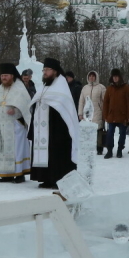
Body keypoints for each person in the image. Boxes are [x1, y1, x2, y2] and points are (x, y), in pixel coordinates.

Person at [27, 58, 78, 189]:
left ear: (55, 71)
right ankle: (46, 178)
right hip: (43, 128)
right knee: (47, 153)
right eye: (44, 70)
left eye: (47, 70)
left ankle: (59, 179)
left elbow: (64, 108)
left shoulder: (61, 86)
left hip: (57, 129)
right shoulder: (44, 86)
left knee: (57, 154)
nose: (45, 72)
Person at [0, 63, 31, 182]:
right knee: (2, 149)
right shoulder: (0, 89)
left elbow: (27, 107)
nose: (4, 78)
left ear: (12, 76)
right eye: (2, 76)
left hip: (15, 126)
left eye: (6, 75)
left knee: (16, 150)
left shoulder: (20, 88)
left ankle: (19, 173)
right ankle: (6, 173)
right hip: (0, 125)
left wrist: (16, 111)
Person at [101, 69, 129, 159]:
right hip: (111, 116)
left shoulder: (126, 87)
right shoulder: (109, 88)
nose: (115, 78)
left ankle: (119, 150)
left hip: (122, 116)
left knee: (122, 133)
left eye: (116, 76)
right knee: (110, 133)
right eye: (113, 76)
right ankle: (109, 151)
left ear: (119, 77)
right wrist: (105, 115)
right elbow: (106, 103)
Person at [77, 70, 106, 156]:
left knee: (99, 130)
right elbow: (81, 101)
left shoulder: (101, 87)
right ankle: (88, 147)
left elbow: (105, 101)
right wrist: (80, 113)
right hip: (87, 113)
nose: (92, 78)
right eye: (90, 76)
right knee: (88, 130)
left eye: (93, 76)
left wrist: (105, 113)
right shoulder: (85, 88)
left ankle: (99, 148)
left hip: (98, 111)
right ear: (88, 77)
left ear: (96, 77)